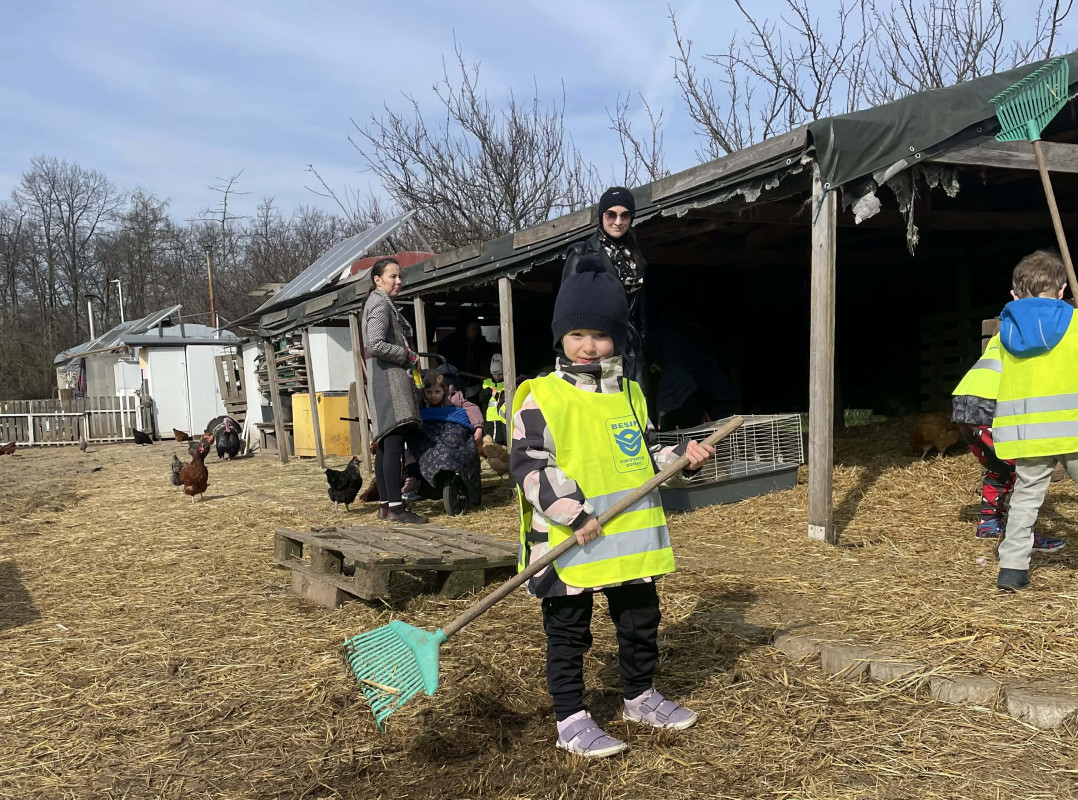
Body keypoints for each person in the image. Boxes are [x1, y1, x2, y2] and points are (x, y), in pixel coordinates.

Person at [509, 256, 714, 758]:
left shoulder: (631, 394)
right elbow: (530, 464)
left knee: (640, 621)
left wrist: (680, 459)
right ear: (560, 337)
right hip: (571, 542)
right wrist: (574, 513)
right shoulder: (541, 397)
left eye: (600, 335)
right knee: (568, 632)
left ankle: (639, 696)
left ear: (617, 339)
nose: (588, 346)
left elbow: (644, 453)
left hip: (628, 543)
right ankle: (571, 718)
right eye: (577, 334)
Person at [993, 250, 1078, 590]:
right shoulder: (1074, 324)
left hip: (1029, 434)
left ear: (1014, 295)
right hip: (1073, 430)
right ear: (1062, 291)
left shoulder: (1005, 333)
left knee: (1025, 499)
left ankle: (1012, 569)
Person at [952, 331, 1064, 551]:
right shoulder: (1041, 334)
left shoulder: (1006, 332)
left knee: (999, 466)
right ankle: (1022, 535)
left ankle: (989, 524)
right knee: (1025, 468)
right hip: (991, 401)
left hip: (964, 402)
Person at [562, 186, 650, 390]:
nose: (618, 222)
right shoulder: (581, 253)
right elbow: (567, 309)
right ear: (601, 216)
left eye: (624, 215)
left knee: (638, 405)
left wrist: (644, 343)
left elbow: (642, 309)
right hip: (597, 349)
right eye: (611, 214)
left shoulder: (635, 256)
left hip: (632, 350)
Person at [362, 257, 428, 524]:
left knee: (386, 444)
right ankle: (396, 508)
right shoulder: (379, 303)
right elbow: (376, 344)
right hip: (389, 383)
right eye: (393, 276)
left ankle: (386, 505)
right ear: (378, 280)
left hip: (383, 381)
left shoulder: (378, 302)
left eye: (400, 276)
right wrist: (407, 355)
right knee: (393, 443)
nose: (399, 281)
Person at [422, 373, 483, 443]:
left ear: (444, 390)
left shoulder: (453, 399)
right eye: (429, 392)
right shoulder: (421, 402)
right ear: (423, 392)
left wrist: (478, 428)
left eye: (437, 392)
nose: (433, 395)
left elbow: (472, 408)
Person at [481, 354, 507, 445]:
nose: (497, 376)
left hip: (501, 418)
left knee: (502, 442)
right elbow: (481, 399)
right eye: (495, 374)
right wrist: (486, 393)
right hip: (489, 418)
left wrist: (497, 395)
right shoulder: (486, 383)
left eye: (500, 374)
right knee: (489, 442)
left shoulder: (507, 383)